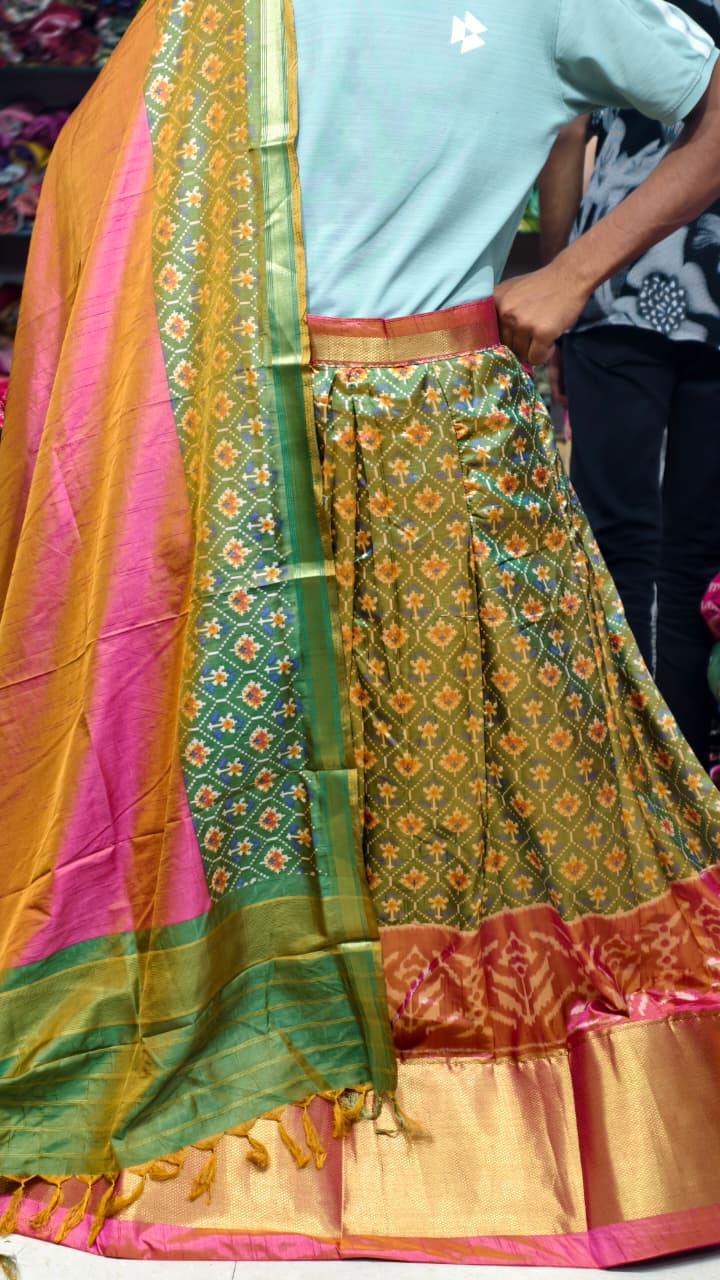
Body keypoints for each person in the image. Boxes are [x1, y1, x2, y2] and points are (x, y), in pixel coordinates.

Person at [2, 0, 720, 1266]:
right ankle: (285, 1058)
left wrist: (574, 269)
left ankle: (466, 1108)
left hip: (448, 427)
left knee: (479, 771)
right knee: (255, 772)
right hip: (242, 428)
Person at [540, 0, 720, 768]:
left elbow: (568, 132)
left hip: (615, 273)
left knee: (616, 545)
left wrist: (558, 280)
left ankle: (621, 775)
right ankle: (688, 772)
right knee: (697, 555)